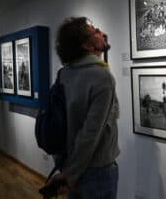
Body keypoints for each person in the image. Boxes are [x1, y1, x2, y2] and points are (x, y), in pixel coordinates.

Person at [50, 17, 120, 199]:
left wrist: (65, 169)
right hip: (95, 170)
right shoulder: (102, 77)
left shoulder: (64, 74)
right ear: (87, 46)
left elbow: (59, 124)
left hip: (69, 164)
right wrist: (72, 175)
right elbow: (90, 133)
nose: (101, 32)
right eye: (95, 31)